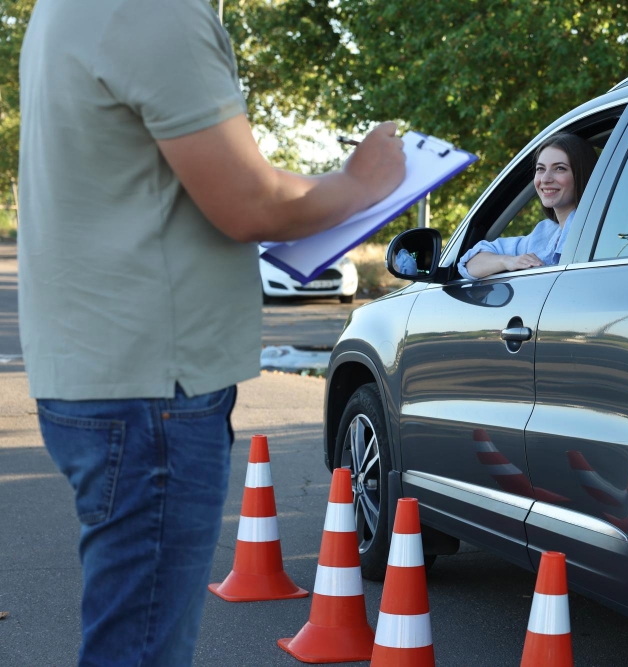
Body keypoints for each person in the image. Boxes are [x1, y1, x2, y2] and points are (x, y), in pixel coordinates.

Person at [17, 0, 405, 665]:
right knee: (140, 650)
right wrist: (360, 181)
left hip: (104, 373)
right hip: (152, 391)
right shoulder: (155, 12)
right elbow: (249, 203)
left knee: (126, 639)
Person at [458, 133, 598, 280]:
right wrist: (508, 261)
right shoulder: (544, 233)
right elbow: (469, 262)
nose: (545, 179)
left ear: (582, 174)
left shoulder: (594, 230)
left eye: (559, 168)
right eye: (540, 169)